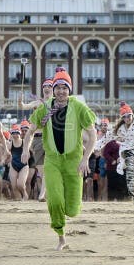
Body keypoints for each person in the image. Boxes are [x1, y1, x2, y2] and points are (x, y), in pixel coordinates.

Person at [21, 67, 96, 250]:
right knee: (54, 200)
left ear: (69, 89)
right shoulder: (45, 108)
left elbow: (93, 135)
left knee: (72, 209)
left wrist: (86, 158)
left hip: (74, 161)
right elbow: (30, 131)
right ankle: (61, 237)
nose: (61, 91)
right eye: (58, 87)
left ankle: (68, 211)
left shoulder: (79, 107)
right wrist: (25, 149)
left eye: (65, 87)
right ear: (53, 89)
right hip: (53, 160)